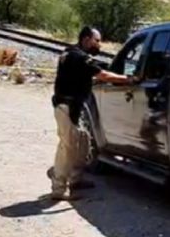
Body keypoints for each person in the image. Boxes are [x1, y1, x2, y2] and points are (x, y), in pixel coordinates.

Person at [48, 26, 134, 201]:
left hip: (73, 107)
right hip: (67, 107)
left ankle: (75, 180)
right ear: (86, 39)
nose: (99, 45)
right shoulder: (78, 57)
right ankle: (58, 188)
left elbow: (91, 71)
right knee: (67, 147)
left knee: (83, 143)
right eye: (97, 41)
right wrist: (129, 79)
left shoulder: (72, 53)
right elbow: (103, 75)